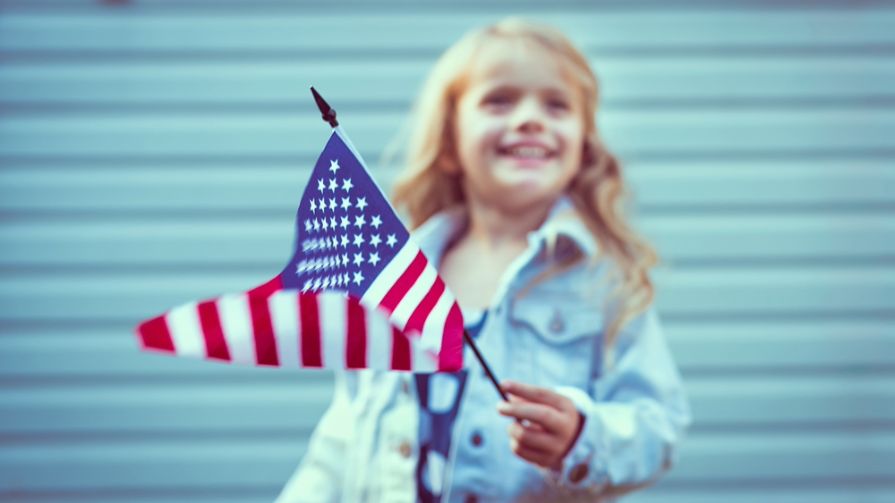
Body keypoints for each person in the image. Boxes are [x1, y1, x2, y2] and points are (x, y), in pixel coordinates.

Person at [276, 18, 691, 503]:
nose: (530, 118)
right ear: (451, 144)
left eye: (556, 105)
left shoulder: (603, 281)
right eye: (499, 100)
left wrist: (583, 434)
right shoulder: (394, 279)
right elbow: (343, 435)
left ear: (583, 146)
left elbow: (658, 425)